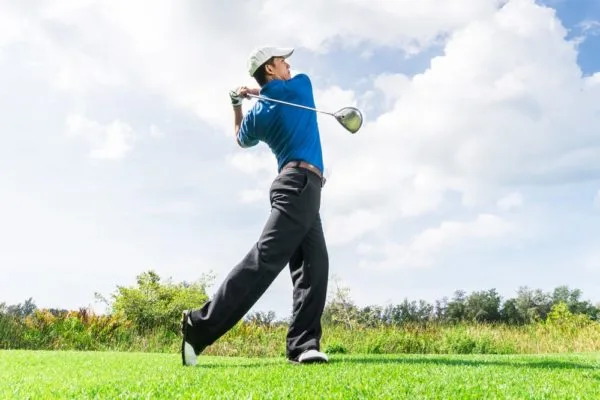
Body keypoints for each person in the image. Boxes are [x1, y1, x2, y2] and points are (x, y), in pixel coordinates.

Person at [181, 46, 330, 366]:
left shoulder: (259, 114)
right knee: (266, 259)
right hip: (299, 185)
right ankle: (199, 324)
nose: (290, 64)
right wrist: (258, 92)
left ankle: (303, 346)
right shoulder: (301, 84)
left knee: (314, 266)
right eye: (282, 61)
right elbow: (284, 88)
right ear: (271, 69)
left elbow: (239, 137)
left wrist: (238, 103)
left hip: (301, 188)